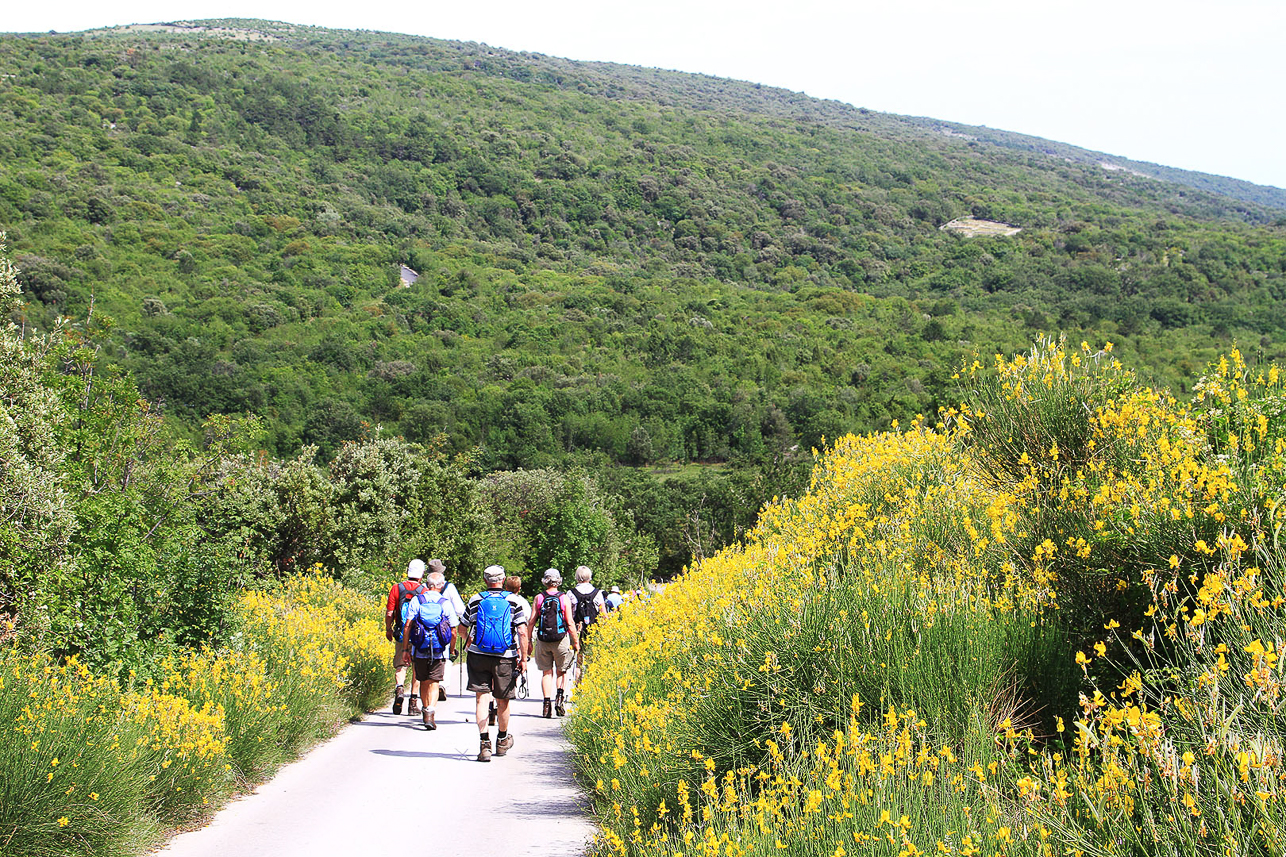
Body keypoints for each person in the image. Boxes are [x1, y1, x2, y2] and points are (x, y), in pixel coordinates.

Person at [461, 565, 529, 762]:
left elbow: (463, 626)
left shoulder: (476, 599)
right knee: (503, 700)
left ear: (485, 580)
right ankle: (502, 739)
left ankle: (484, 745)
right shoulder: (514, 600)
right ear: (503, 579)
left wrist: (468, 642)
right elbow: (522, 632)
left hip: (478, 655)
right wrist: (523, 658)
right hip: (505, 656)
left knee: (482, 698)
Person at [400, 570, 459, 730]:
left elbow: (408, 626)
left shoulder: (417, 601)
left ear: (426, 585)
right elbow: (453, 630)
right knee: (434, 681)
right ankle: (430, 712)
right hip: (439, 650)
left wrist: (405, 649)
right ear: (441, 586)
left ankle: (426, 709)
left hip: (419, 648)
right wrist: (452, 649)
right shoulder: (445, 603)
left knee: (423, 680)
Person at [528, 569, 579, 718]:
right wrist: (576, 642)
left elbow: (531, 621)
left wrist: (529, 641)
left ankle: (546, 705)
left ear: (545, 581)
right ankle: (559, 699)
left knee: (546, 672)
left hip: (543, 640)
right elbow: (570, 622)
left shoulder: (539, 598)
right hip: (560, 639)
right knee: (561, 671)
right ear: (558, 581)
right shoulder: (564, 598)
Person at [385, 559, 428, 715]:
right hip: (418, 635)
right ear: (421, 574)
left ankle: (399, 688)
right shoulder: (424, 590)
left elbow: (390, 612)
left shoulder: (397, 588)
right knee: (416, 667)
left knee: (401, 664)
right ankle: (413, 704)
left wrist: (388, 629)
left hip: (401, 632)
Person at [570, 565, 606, 678]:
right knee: (592, 658)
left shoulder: (571, 593)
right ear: (589, 577)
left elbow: (569, 615)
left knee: (579, 659)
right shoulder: (597, 593)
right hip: (594, 630)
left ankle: (578, 687)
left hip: (577, 630)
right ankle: (590, 686)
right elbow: (604, 614)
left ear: (577, 577)